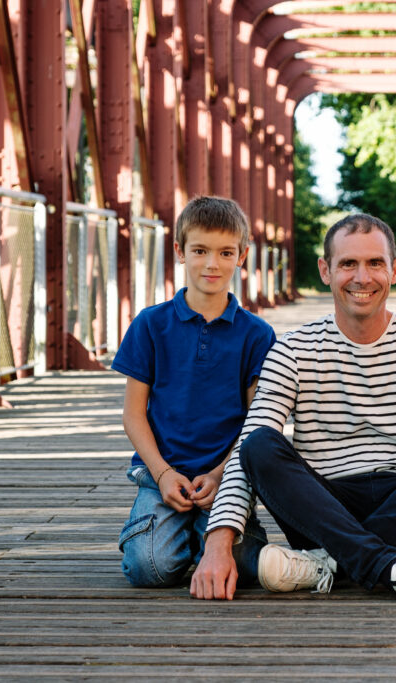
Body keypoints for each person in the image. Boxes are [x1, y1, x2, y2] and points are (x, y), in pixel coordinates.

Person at [190, 213, 396, 604]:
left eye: (375, 263)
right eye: (348, 264)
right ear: (326, 270)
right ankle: (393, 570)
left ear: (394, 269)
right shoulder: (293, 350)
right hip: (323, 508)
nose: (362, 277)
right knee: (259, 444)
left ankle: (328, 564)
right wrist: (217, 543)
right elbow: (250, 446)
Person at [113, 196, 275, 588]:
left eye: (225, 253)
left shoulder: (257, 334)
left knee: (248, 567)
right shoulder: (151, 324)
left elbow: (258, 421)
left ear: (242, 256)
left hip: (227, 475)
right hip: (161, 472)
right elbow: (133, 413)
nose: (211, 264)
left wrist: (221, 473)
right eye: (199, 250)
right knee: (148, 568)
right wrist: (163, 473)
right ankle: (173, 531)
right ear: (179, 251)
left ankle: (198, 534)